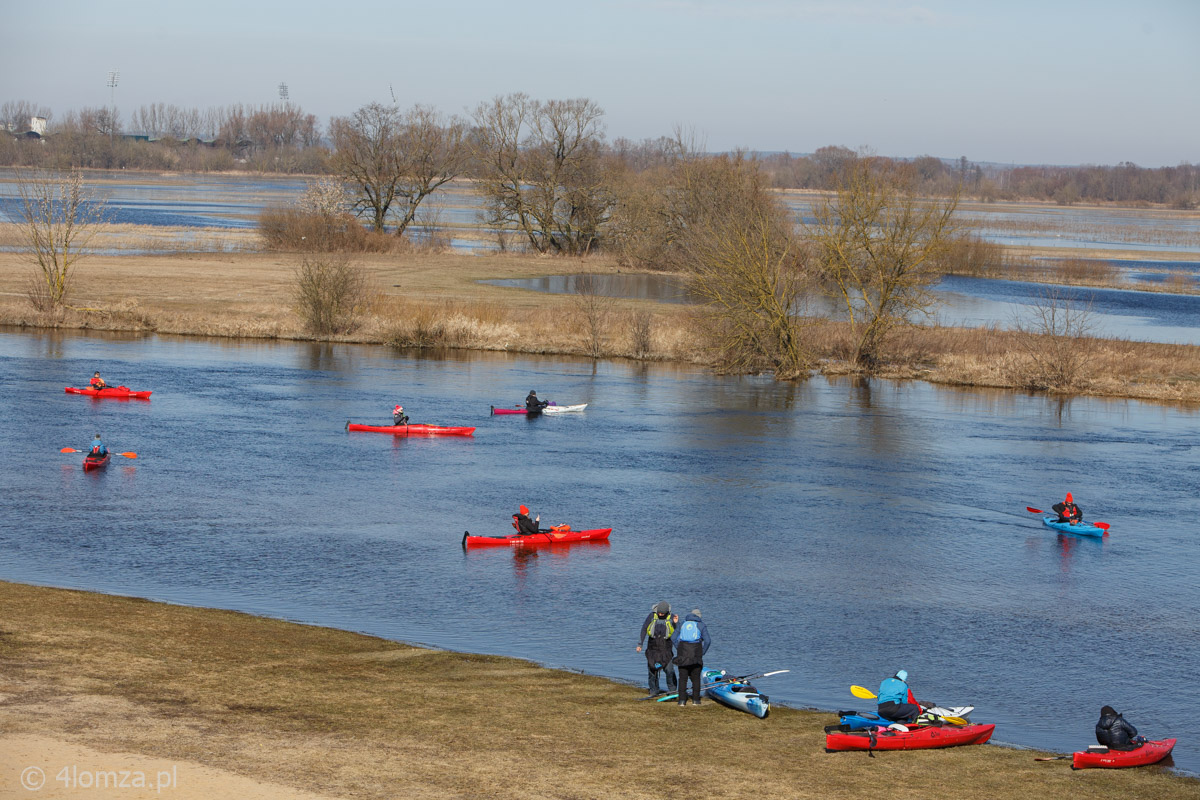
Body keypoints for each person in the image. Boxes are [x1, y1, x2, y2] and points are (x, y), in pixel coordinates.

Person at [636, 601, 679, 697]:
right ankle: (654, 690)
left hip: (666, 649)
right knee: (652, 670)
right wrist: (640, 644)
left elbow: (677, 632)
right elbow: (644, 629)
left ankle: (672, 690)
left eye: (662, 613)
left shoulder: (672, 617)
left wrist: (676, 623)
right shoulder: (651, 616)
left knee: (669, 670)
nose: (660, 614)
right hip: (652, 648)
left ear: (667, 612)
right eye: (659, 613)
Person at [672, 609, 711, 706]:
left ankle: (681, 701)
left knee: (682, 678)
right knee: (696, 677)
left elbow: (673, 638)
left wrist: (679, 648)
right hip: (696, 655)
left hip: (682, 654)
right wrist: (702, 652)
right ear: (699, 617)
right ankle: (696, 700)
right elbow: (708, 641)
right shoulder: (701, 625)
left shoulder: (682, 624)